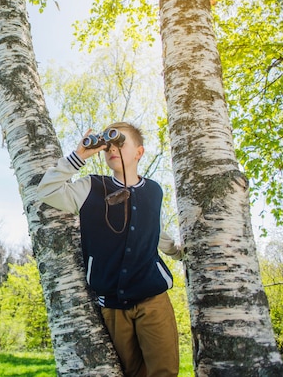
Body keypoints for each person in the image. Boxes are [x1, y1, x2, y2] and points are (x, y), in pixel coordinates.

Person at [37, 121, 183, 377]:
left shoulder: (153, 191)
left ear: (139, 152)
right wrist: (79, 155)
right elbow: (47, 191)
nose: (112, 149)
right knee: (130, 373)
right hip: (113, 305)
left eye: (120, 142)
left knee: (164, 371)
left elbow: (155, 230)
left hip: (153, 298)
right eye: (108, 145)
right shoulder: (90, 187)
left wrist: (177, 252)